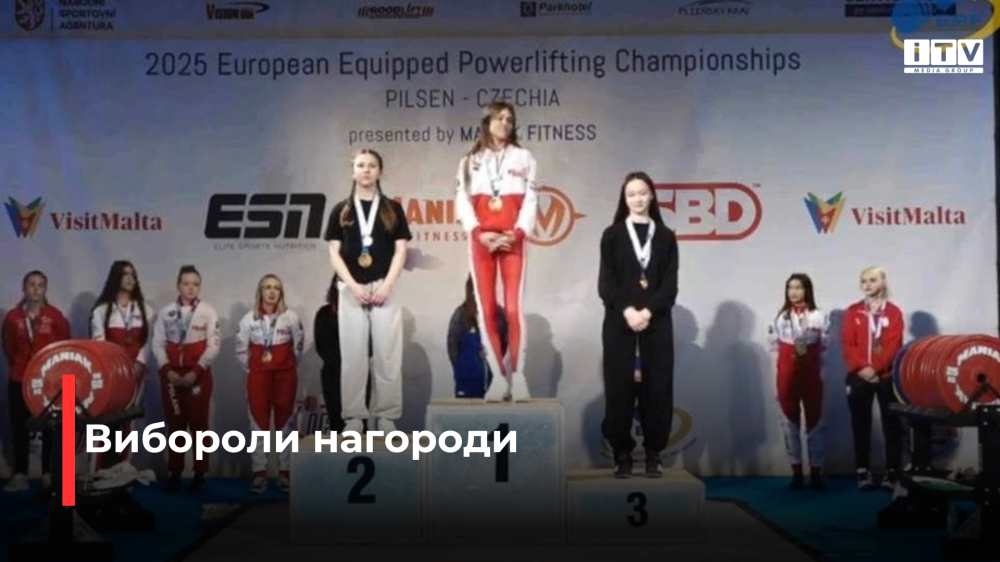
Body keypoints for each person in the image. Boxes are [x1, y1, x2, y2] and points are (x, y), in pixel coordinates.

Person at [454, 101, 537, 402]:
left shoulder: (524, 158)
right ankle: (498, 378)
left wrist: (517, 233)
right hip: (481, 242)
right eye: (499, 118)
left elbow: (531, 201)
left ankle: (518, 376)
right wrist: (480, 234)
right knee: (486, 309)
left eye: (509, 119)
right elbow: (462, 202)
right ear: (487, 122)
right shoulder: (469, 161)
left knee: (513, 309)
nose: (505, 123)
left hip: (514, 240)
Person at [598, 171, 679, 478]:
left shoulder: (666, 236)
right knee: (619, 388)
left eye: (642, 193)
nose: (638, 199)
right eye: (631, 194)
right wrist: (628, 311)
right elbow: (606, 283)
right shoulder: (612, 235)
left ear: (652, 195)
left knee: (657, 388)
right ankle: (622, 455)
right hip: (620, 323)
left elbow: (669, 286)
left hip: (656, 323)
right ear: (624, 198)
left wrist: (647, 312)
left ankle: (654, 454)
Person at [325, 148, 411, 435]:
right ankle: (353, 418)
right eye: (361, 165)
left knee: (388, 355)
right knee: (353, 356)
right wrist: (351, 285)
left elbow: (400, 251)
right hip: (352, 288)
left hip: (385, 287)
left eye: (372, 165)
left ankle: (387, 417)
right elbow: (334, 253)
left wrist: (387, 285)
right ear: (353, 172)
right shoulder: (342, 210)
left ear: (380, 172)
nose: (366, 170)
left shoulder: (392, 209)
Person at [236, 273, 313, 493]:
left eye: (276, 288)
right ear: (260, 292)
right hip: (258, 377)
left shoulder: (291, 317)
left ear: (281, 293)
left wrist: (286, 366)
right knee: (257, 424)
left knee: (285, 425)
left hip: (285, 376)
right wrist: (254, 369)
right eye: (267, 287)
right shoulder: (248, 319)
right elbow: (241, 350)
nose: (271, 292)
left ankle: (285, 474)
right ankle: (259, 474)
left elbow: (298, 347)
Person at [151, 265, 220, 493]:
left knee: (199, 426)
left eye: (195, 284)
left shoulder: (208, 312)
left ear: (200, 287)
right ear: (178, 286)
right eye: (186, 283)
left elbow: (213, 346)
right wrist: (167, 370)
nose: (191, 288)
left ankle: (200, 474)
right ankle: (175, 473)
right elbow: (157, 344)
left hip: (198, 377)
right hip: (171, 377)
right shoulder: (166, 312)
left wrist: (196, 371)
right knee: (176, 427)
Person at [2, 271, 70, 492]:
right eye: (31, 284)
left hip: (48, 382)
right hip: (19, 379)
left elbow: (64, 346)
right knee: (19, 427)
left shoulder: (55, 316)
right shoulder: (13, 318)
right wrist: (23, 367)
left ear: (45, 290)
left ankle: (48, 473)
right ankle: (20, 474)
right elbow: (9, 348)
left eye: (40, 285)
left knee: (50, 427)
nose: (35, 289)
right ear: (24, 288)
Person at [842, 265, 905, 491]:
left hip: (885, 377)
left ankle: (892, 472)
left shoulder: (893, 312)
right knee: (860, 424)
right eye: (863, 281)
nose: (867, 285)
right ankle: (863, 471)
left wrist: (876, 369)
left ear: (883, 282)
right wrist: (862, 368)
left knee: (892, 424)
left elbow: (894, 345)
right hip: (859, 376)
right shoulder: (853, 311)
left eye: (872, 280)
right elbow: (848, 345)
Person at [90, 260, 155, 470]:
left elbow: (148, 340)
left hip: (136, 374)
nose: (129, 279)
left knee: (129, 422)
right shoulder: (101, 310)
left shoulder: (145, 309)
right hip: (110, 376)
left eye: (132, 275)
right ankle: (98, 471)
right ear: (115, 277)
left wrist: (140, 363)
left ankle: (122, 468)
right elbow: (99, 344)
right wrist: (113, 370)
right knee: (104, 423)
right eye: (125, 274)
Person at [767, 273, 829, 490]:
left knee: (816, 424)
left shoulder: (819, 316)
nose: (793, 292)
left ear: (807, 290)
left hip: (812, 376)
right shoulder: (780, 317)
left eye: (798, 288)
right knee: (788, 423)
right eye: (790, 288)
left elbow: (826, 347)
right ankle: (796, 473)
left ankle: (816, 473)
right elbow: (773, 346)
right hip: (787, 376)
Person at [447, 274, 507, 398]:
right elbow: (452, 347)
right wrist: (465, 366)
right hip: (467, 383)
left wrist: (491, 356)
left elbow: (504, 343)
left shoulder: (499, 314)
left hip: (493, 382)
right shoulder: (461, 314)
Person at [313, 275, 345, 433]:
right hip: (332, 377)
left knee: (359, 428)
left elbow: (370, 347)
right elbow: (321, 346)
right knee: (336, 425)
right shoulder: (324, 313)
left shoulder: (363, 313)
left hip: (358, 377)